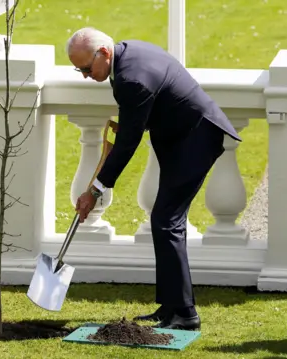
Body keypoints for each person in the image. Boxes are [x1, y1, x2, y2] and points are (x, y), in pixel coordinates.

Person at [66, 27, 241, 331]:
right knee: (166, 222)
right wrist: (135, 124)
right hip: (184, 136)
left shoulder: (130, 79)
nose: (83, 75)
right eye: (78, 69)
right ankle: (171, 307)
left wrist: (95, 190)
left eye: (85, 68)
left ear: (104, 53)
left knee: (165, 221)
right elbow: (149, 105)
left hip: (196, 139)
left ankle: (185, 315)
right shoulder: (128, 53)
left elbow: (128, 145)